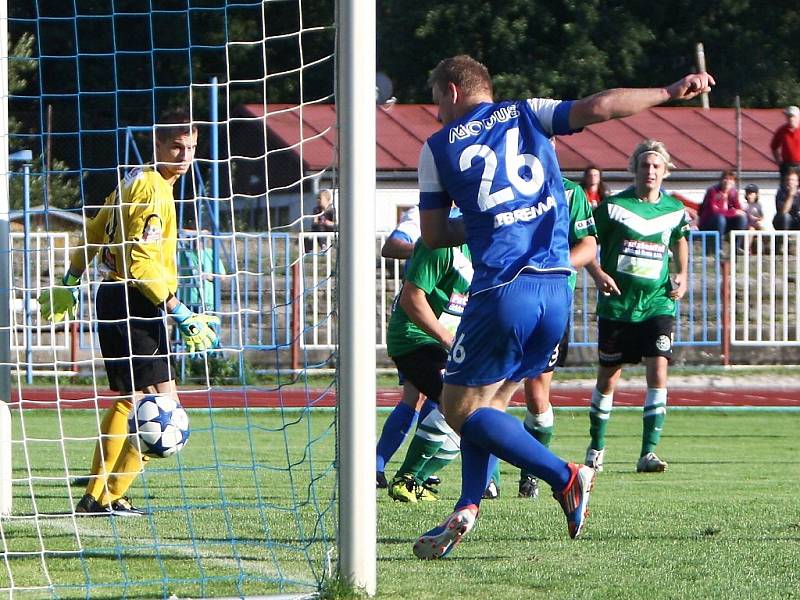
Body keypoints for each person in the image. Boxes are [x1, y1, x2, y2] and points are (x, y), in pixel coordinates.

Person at [412, 54, 714, 559]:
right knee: (494, 405)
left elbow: (435, 233)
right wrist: (667, 91)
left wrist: (489, 223)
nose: (436, 112)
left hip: (502, 288)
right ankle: (467, 504)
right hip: (557, 287)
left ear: (452, 91)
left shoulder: (437, 147)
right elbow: (599, 107)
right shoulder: (528, 111)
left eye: (437, 100)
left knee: (459, 410)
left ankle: (565, 474)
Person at [38, 109, 219, 516]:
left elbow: (94, 230)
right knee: (156, 402)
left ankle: (102, 496)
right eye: (177, 146)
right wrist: (179, 310)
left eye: (191, 147)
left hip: (115, 296)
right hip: (134, 299)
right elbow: (138, 262)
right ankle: (104, 495)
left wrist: (71, 281)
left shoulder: (133, 180)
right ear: (157, 144)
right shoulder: (153, 190)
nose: (185, 155)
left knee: (136, 398)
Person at [585, 139, 689, 476]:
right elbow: (586, 242)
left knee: (658, 370)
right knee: (608, 377)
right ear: (634, 169)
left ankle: (648, 453)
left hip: (657, 304)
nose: (650, 171)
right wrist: (597, 272)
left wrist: (683, 275)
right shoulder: (614, 207)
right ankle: (597, 446)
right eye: (645, 165)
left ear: (665, 171)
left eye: (656, 166)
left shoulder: (674, 210)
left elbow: (680, 239)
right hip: (617, 306)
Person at [517, 177, 619, 499]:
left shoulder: (570, 192)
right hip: (504, 299)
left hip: (550, 305)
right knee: (488, 390)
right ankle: (484, 483)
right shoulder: (504, 183)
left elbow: (587, 245)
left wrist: (556, 267)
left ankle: (532, 470)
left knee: (536, 394)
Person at [384, 237, 472, 503]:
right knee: (456, 405)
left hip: (449, 342)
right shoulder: (442, 244)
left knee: (472, 415)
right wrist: (448, 339)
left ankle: (415, 480)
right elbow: (412, 299)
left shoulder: (481, 247)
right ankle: (405, 478)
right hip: (415, 338)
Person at [697, 170, 747, 245]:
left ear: (733, 182)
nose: (728, 182)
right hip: (709, 222)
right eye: (725, 179)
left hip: (725, 223)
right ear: (721, 180)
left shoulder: (733, 193)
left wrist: (739, 212)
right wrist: (733, 212)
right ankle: (719, 248)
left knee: (742, 218)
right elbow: (714, 211)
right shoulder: (712, 191)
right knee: (720, 218)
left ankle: (737, 247)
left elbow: (738, 209)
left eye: (730, 179)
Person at [770, 105, 800, 179]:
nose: (790, 118)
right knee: (786, 188)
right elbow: (774, 147)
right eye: (788, 116)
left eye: (792, 116)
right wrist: (779, 162)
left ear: (798, 117)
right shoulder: (781, 130)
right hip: (787, 165)